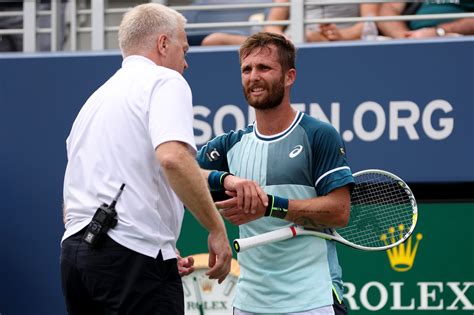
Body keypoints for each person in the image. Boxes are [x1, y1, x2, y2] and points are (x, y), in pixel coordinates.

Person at [60, 4, 237, 314]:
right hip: (130, 261)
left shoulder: (94, 101)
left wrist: (161, 246)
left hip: (76, 259)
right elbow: (173, 158)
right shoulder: (165, 81)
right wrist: (216, 229)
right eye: (184, 49)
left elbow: (70, 204)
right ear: (163, 44)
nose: (186, 63)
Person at [196, 32, 355, 314]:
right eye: (247, 69)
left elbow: (339, 211)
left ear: (289, 76)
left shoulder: (318, 134)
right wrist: (225, 179)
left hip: (313, 299)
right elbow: (181, 169)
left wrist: (270, 206)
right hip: (249, 302)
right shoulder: (230, 144)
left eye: (264, 68)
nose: (253, 76)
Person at [201, 0, 379, 45]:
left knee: (309, 38)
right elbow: (273, 22)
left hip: (331, 41)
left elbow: (368, 23)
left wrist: (341, 35)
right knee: (214, 40)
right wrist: (280, 38)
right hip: (288, 41)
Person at [377, 1, 474, 39]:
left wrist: (439, 32)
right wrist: (404, 36)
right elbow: (388, 9)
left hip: (459, 40)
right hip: (413, 40)